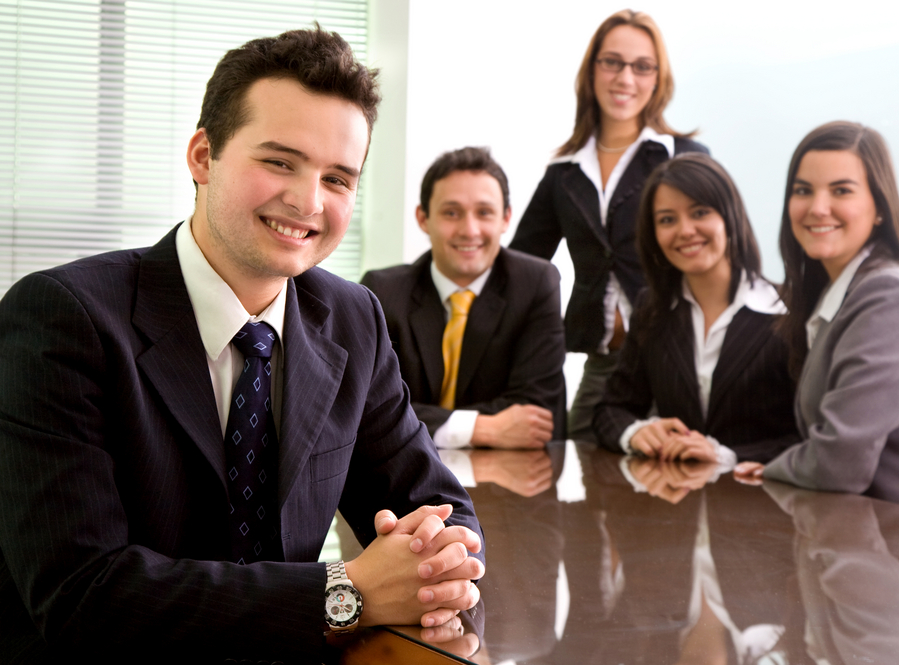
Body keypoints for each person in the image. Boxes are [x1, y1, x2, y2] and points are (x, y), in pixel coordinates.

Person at [0, 27, 485, 662]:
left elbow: (441, 509)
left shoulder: (351, 318)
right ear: (203, 156)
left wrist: (435, 558)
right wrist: (349, 592)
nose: (308, 201)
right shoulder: (64, 319)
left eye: (338, 178)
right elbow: (84, 598)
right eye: (280, 161)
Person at [734, 121, 899, 521]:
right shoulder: (838, 295)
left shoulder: (890, 297)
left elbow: (838, 462)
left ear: (880, 208)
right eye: (803, 190)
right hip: (869, 543)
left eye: (841, 190)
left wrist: (775, 469)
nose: (817, 207)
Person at [509, 9, 709, 435]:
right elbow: (521, 267)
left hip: (679, 360)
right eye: (612, 62)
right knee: (576, 464)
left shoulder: (682, 156)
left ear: (658, 78)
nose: (626, 78)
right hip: (604, 365)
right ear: (593, 70)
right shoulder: (564, 171)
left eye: (642, 66)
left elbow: (719, 257)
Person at [593, 153, 797, 467]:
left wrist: (726, 456)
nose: (685, 230)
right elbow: (610, 409)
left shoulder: (790, 311)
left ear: (730, 217)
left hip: (769, 503)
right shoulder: (652, 310)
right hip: (676, 502)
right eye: (667, 220)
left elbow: (812, 435)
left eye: (699, 212)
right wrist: (635, 432)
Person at [361, 147, 565, 450]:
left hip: (516, 478)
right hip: (406, 475)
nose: (469, 231)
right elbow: (368, 407)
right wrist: (482, 428)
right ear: (423, 218)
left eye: (484, 213)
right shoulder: (383, 292)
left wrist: (432, 421)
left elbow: (535, 414)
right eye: (451, 213)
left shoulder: (536, 283)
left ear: (506, 218)